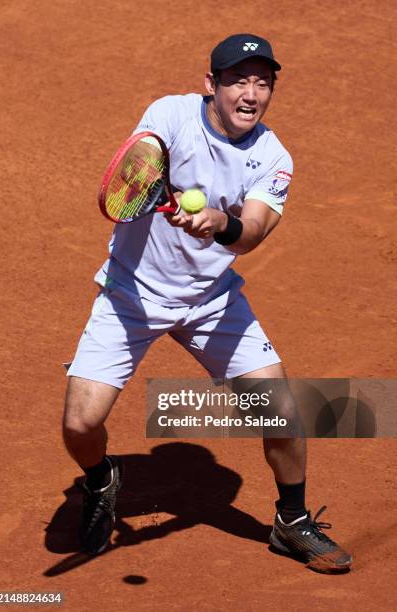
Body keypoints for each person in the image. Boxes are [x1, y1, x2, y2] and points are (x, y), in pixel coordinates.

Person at [63, 33, 352, 573]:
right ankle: (103, 478)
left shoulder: (273, 155)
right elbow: (142, 157)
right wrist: (156, 173)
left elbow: (254, 232)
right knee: (80, 425)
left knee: (281, 408)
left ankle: (291, 520)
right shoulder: (171, 113)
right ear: (211, 85)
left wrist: (221, 224)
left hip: (211, 299)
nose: (251, 93)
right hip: (131, 293)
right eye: (238, 80)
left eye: (263, 83)